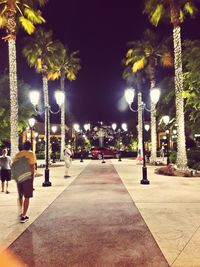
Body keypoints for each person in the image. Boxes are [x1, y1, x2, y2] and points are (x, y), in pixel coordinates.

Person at [13, 141, 37, 223]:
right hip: (27, 178)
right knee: (27, 197)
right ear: (30, 147)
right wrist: (32, 181)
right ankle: (23, 216)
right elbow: (32, 168)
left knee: (20, 196)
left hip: (19, 178)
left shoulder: (18, 154)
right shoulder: (31, 154)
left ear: (23, 146)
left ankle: (21, 212)